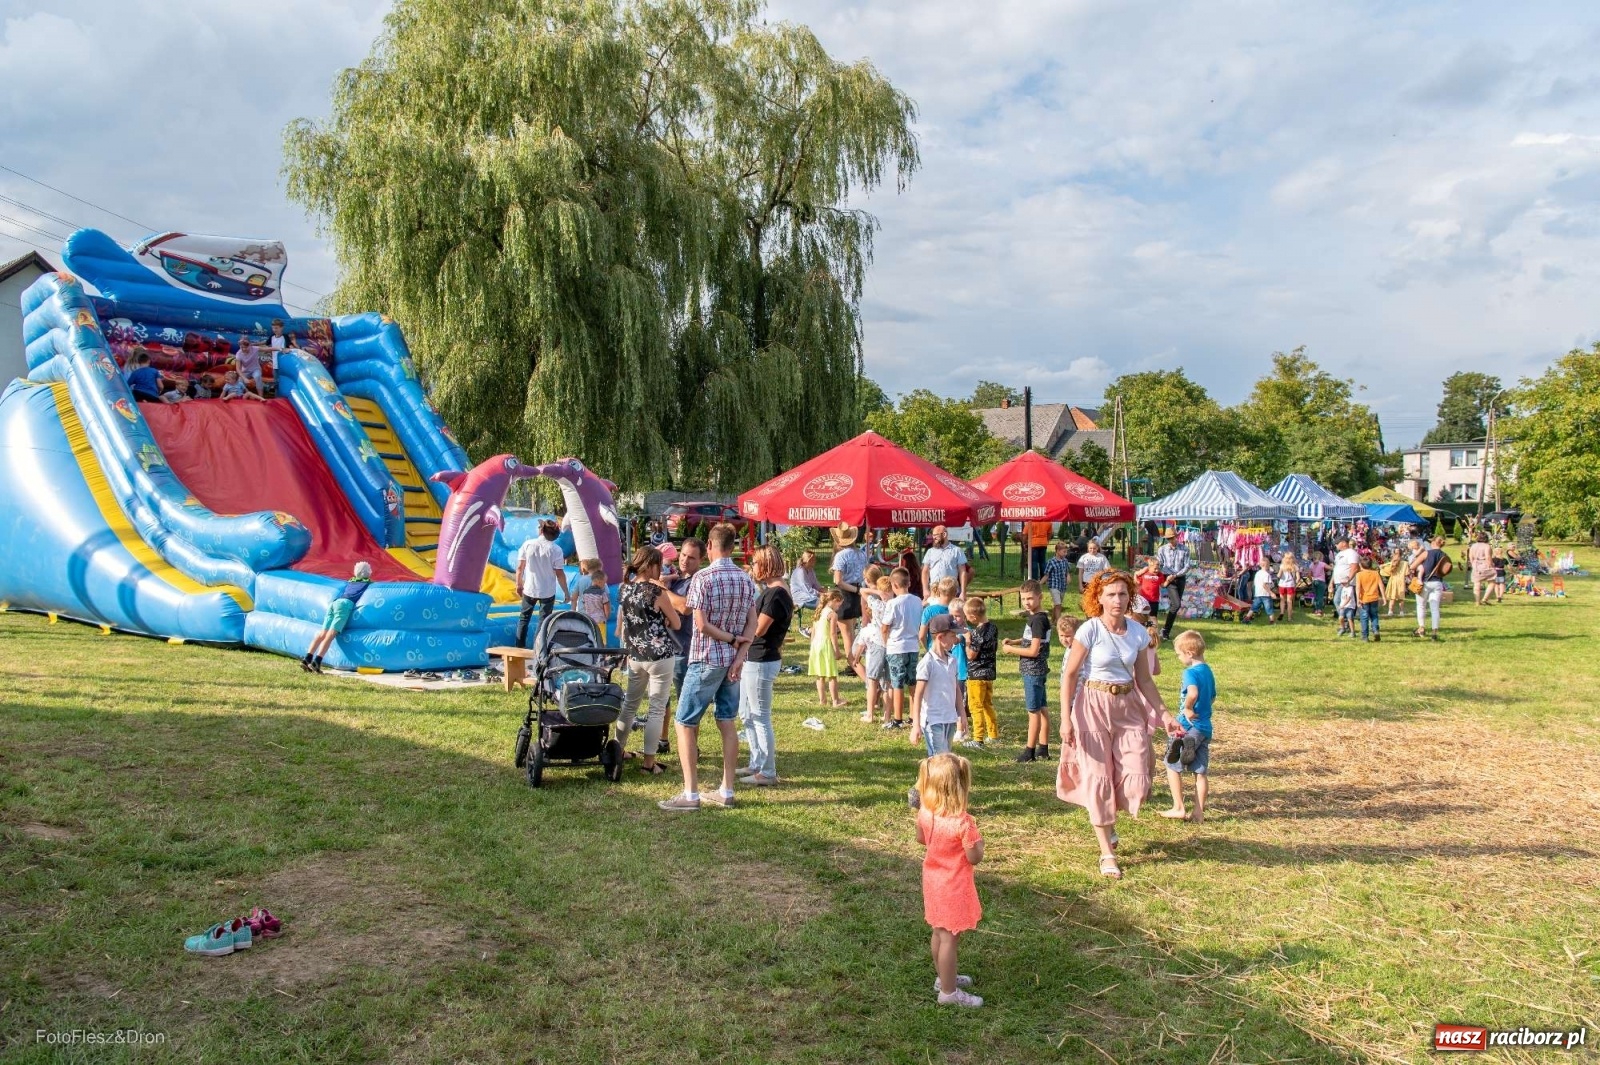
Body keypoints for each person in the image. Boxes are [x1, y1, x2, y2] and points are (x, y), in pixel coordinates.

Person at [1057, 570, 1182, 879]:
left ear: (1130, 597)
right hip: (1092, 705)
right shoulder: (1089, 630)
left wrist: (1165, 714)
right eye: (1111, 594)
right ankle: (1107, 852)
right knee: (1098, 775)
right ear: (1098, 598)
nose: (1117, 600)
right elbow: (1069, 675)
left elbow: (1145, 680)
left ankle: (1108, 816)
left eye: (1123, 594)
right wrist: (1065, 719)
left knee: (1137, 774)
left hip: (1128, 705)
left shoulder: (1138, 633)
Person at [659, 524, 760, 812]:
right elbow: (752, 623)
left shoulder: (703, 578)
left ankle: (690, 794)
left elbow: (701, 625)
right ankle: (726, 790)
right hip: (732, 662)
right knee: (726, 721)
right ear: (732, 546)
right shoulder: (745, 578)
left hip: (706, 658)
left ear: (711, 546)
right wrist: (739, 653)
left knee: (684, 722)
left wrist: (730, 640)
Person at [913, 753, 985, 1008]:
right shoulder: (964, 824)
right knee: (950, 938)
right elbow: (974, 857)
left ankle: (943, 977)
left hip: (933, 881)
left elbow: (921, 839)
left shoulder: (925, 813)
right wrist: (980, 845)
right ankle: (948, 992)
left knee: (938, 931)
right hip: (953, 886)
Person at [616, 546, 681, 776]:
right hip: (660, 655)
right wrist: (663, 620)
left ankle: (618, 750)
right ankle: (649, 763)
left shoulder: (624, 589)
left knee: (629, 706)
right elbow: (676, 623)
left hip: (635, 655)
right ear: (651, 565)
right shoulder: (657, 592)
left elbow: (626, 621)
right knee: (656, 709)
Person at [738, 545, 792, 787]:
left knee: (760, 716)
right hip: (755, 658)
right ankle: (757, 762)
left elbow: (759, 629)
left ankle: (767, 771)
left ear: (767, 564)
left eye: (756, 563)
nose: (753, 568)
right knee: (747, 713)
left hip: (762, 659)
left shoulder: (776, 594)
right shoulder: (772, 591)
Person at [1160, 630, 1215, 824]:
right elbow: (1212, 697)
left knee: (1171, 763)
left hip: (1187, 726)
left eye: (1179, 654)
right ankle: (1198, 813)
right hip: (1205, 727)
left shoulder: (1190, 673)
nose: (1178, 658)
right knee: (1200, 772)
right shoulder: (1207, 671)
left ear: (1189, 653)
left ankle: (1178, 807)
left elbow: (1192, 692)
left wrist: (1188, 708)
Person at [1001, 579, 1051, 763]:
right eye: (1023, 599)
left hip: (1033, 671)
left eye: (1030, 598)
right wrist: (1014, 641)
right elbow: (1031, 640)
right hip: (1038, 670)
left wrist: (1010, 650)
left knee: (1034, 711)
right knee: (1042, 708)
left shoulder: (1038, 620)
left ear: (1040, 597)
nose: (1026, 602)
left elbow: (1033, 651)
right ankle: (1043, 749)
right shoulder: (1036, 617)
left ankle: (1029, 752)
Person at [300, 561, 372, 673]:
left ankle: (307, 658)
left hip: (335, 602)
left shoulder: (352, 581)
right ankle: (317, 661)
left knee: (322, 633)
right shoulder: (367, 583)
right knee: (331, 635)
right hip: (345, 604)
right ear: (367, 573)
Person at [911, 615, 962, 756]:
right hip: (933, 720)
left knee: (946, 757)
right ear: (940, 637)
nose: (955, 640)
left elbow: (956, 689)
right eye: (952, 636)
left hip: (950, 718)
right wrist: (916, 725)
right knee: (939, 759)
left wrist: (962, 715)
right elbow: (918, 695)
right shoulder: (927, 663)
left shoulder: (952, 660)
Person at [514, 520, 569, 648]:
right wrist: (566, 592)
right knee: (543, 622)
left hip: (530, 588)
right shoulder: (556, 550)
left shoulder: (528, 544)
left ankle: (519, 648)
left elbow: (520, 568)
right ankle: (537, 649)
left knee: (523, 619)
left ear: (541, 530)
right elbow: (559, 573)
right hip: (547, 591)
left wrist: (518, 584)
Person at [880, 567, 923, 730]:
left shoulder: (893, 603)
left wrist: (886, 642)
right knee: (912, 682)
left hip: (896, 646)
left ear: (894, 585)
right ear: (909, 583)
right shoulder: (917, 601)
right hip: (913, 645)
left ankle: (898, 719)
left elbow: (885, 627)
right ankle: (913, 716)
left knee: (897, 684)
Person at [961, 597, 999, 748]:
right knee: (987, 704)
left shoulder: (977, 633)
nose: (966, 619)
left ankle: (978, 739)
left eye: (967, 616)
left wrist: (967, 641)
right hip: (989, 674)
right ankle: (993, 734)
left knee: (975, 706)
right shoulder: (993, 628)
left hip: (976, 675)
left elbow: (971, 655)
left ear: (974, 617)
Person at [829, 523, 866, 661]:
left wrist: (856, 589)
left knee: (847, 634)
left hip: (845, 594)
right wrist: (858, 590)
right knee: (852, 631)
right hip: (857, 593)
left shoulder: (841, 556)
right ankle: (855, 661)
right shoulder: (861, 553)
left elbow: (838, 580)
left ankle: (853, 664)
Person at [808, 590, 847, 709]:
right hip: (826, 645)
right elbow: (833, 634)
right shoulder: (832, 614)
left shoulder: (819, 611)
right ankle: (836, 700)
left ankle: (822, 700)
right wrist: (837, 650)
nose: (839, 608)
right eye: (839, 605)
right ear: (835, 600)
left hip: (816, 645)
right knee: (832, 675)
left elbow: (813, 631)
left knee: (820, 675)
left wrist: (812, 646)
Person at [1410, 535, 1451, 641]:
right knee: (1435, 608)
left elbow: (1412, 566)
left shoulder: (1427, 553)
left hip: (1425, 582)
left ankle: (1421, 628)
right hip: (1438, 582)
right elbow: (1447, 569)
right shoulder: (1445, 556)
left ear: (1433, 543)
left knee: (1421, 605)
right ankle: (1434, 632)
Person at [1156, 529, 1190, 639]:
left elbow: (1187, 566)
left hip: (1180, 578)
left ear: (1176, 536)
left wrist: (1175, 575)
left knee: (1174, 605)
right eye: (1168, 539)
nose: (1170, 540)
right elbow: (1159, 564)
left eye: (1172, 538)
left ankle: (1165, 631)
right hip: (1168, 579)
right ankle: (1165, 630)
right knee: (1176, 604)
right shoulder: (1162, 549)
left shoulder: (1185, 549)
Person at [921, 526, 970, 602]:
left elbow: (962, 572)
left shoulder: (957, 551)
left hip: (951, 592)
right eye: (933, 535)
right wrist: (925, 589)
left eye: (935, 535)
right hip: (934, 592)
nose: (933, 537)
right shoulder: (930, 551)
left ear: (944, 534)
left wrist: (963, 592)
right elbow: (925, 571)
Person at [571, 558, 611, 639]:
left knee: (585, 637)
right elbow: (607, 598)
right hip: (598, 617)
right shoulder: (601, 581)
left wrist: (573, 611)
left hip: (583, 614)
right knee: (599, 638)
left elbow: (574, 598)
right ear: (598, 568)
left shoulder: (580, 580)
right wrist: (606, 615)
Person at [788, 550, 821, 634]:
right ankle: (812, 630)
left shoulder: (811, 570)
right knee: (823, 604)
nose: (815, 561)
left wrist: (827, 592)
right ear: (808, 560)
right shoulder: (800, 571)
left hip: (810, 596)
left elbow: (816, 585)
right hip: (801, 597)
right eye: (813, 559)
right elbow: (808, 589)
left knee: (830, 601)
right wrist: (822, 595)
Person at [1041, 541, 1072, 624]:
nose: (1065, 554)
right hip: (1054, 586)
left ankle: (1052, 621)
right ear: (1057, 551)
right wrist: (1039, 584)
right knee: (1058, 605)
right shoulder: (1051, 562)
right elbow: (1046, 575)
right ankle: (1059, 623)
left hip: (1062, 586)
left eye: (1066, 552)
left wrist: (1068, 577)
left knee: (1057, 605)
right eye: (1064, 552)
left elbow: (1067, 571)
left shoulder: (1065, 561)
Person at [1354, 557, 1384, 641]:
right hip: (1374, 598)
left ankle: (1365, 636)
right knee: (1374, 615)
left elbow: (1358, 588)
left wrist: (1358, 599)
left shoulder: (1359, 575)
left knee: (1364, 617)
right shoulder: (1376, 573)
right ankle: (1375, 630)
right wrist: (1384, 597)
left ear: (1360, 565)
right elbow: (1381, 585)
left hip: (1364, 599)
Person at [1468, 531, 1495, 606]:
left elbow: (1470, 556)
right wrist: (1491, 565)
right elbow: (1488, 557)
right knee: (1492, 582)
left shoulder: (1473, 546)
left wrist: (1473, 564)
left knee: (1477, 583)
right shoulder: (1487, 546)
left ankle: (1477, 601)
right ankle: (1485, 599)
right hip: (1485, 564)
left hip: (1476, 564)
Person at [1331, 538, 1361, 605]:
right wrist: (1331, 582)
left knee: (1338, 600)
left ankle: (1344, 612)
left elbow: (1354, 568)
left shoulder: (1351, 553)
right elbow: (1336, 569)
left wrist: (1348, 580)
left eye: (1337, 543)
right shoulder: (1338, 554)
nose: (1336, 545)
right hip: (1338, 582)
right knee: (1340, 601)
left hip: (1347, 583)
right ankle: (1342, 612)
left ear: (1344, 543)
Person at [1381, 547, 1408, 617]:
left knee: (1392, 597)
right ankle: (1401, 611)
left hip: (1393, 580)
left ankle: (1390, 611)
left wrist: (1382, 567)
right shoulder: (1405, 563)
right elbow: (1407, 573)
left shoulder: (1391, 563)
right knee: (1401, 597)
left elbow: (1386, 572)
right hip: (1401, 581)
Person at [1276, 552, 1300, 623]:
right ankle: (1289, 618)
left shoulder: (1282, 566)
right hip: (1290, 585)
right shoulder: (1295, 566)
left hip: (1282, 585)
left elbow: (1278, 576)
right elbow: (1298, 578)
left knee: (1282, 600)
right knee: (1289, 601)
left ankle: (1282, 612)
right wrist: (1296, 583)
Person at [1308, 551, 1328, 618]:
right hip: (1321, 581)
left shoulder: (1311, 565)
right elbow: (1330, 568)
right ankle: (1319, 610)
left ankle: (1315, 609)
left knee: (1315, 596)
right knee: (1320, 596)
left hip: (1314, 581)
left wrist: (1312, 580)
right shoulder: (1322, 564)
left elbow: (1309, 574)